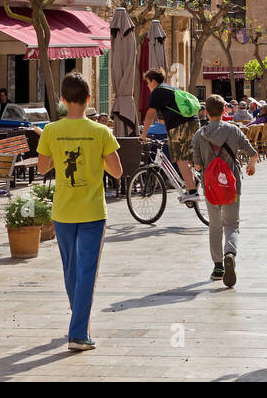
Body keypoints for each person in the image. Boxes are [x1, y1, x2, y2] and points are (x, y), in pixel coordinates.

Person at [36, 72, 121, 352]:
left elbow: (42, 167)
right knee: (86, 271)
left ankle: (78, 320)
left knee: (71, 269)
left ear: (62, 99)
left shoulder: (51, 131)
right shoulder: (101, 132)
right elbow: (117, 171)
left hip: (63, 210)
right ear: (88, 99)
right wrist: (96, 161)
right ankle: (78, 332)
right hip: (93, 211)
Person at [191, 94, 258, 287]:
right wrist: (251, 167)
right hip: (232, 185)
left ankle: (218, 267)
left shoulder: (199, 134)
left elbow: (196, 165)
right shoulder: (233, 131)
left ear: (205, 112)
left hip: (210, 186)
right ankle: (230, 253)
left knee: (215, 226)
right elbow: (252, 153)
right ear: (223, 111)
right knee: (231, 224)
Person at [141, 69, 200, 204]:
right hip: (194, 122)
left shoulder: (157, 91)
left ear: (154, 81)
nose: (148, 86)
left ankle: (192, 191)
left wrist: (143, 135)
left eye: (148, 83)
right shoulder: (171, 89)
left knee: (180, 158)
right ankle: (192, 182)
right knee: (188, 158)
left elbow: (150, 115)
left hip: (179, 126)